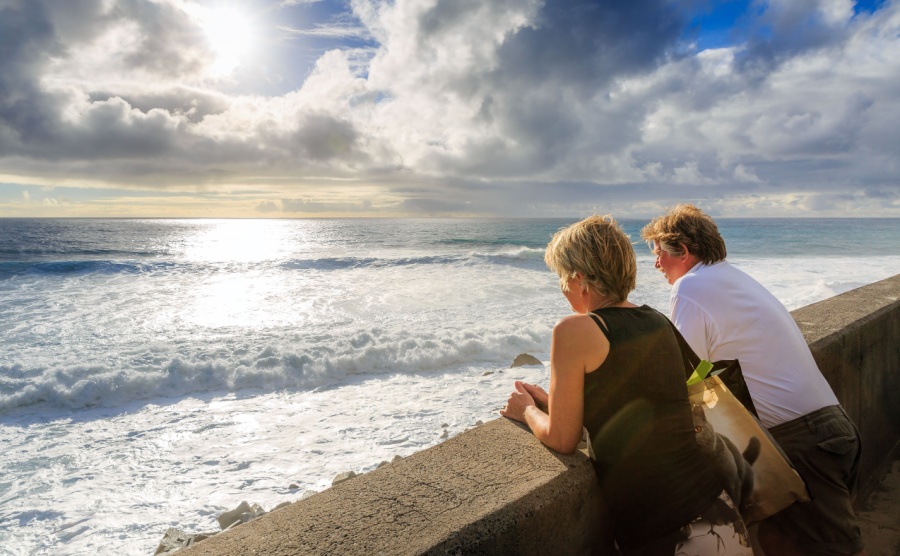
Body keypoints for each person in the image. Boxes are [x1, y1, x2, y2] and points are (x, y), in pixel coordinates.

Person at [501, 215, 753, 556]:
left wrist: (527, 410)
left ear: (579, 278)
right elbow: (635, 404)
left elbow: (563, 439)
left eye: (562, 277)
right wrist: (555, 403)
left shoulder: (574, 330)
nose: (562, 288)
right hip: (719, 514)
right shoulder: (657, 321)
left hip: (670, 535)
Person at [640, 204, 865, 556]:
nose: (655, 264)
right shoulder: (732, 277)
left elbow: (679, 376)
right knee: (787, 543)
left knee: (826, 549)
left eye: (658, 254)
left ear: (682, 251)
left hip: (801, 440)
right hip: (828, 429)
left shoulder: (690, 287)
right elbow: (705, 364)